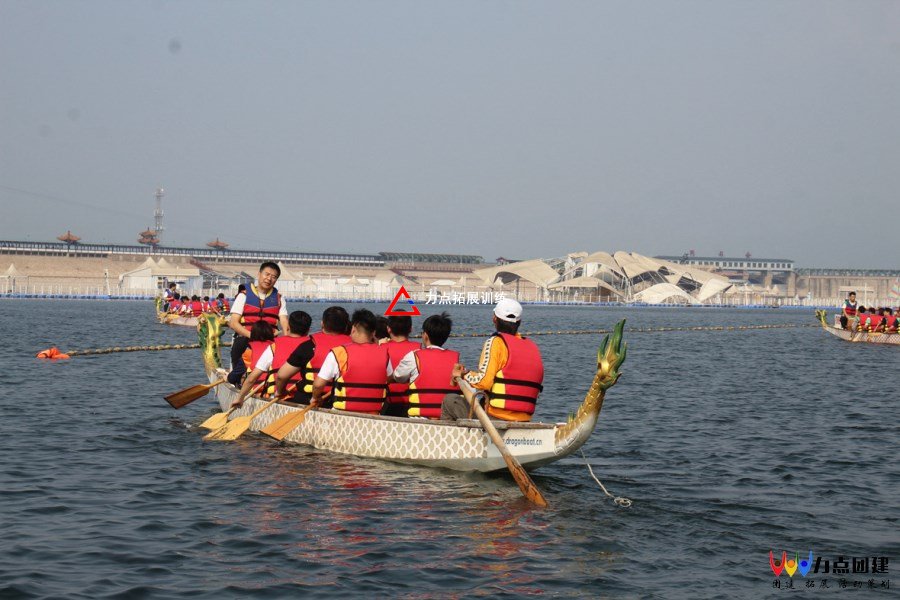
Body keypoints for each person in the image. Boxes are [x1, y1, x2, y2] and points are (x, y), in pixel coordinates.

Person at [441, 298, 544, 422]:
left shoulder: (496, 342)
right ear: (519, 322)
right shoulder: (532, 346)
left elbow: (484, 382)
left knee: (449, 400)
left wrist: (463, 374)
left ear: (494, 318)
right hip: (524, 419)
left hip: (495, 417)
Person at [312, 309, 389, 415]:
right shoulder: (384, 353)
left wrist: (316, 397)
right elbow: (389, 377)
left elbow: (318, 385)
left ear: (353, 329)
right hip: (374, 415)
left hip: (342, 415)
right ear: (374, 333)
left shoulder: (339, 352)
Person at [231, 311, 312, 408]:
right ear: (308, 330)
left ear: (288, 327)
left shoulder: (274, 346)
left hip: (278, 396)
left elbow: (252, 378)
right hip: (307, 398)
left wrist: (240, 398)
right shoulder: (313, 345)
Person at [226, 262, 289, 385]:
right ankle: (238, 381)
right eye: (267, 274)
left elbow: (284, 322)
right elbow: (234, 323)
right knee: (240, 345)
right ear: (259, 274)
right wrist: (253, 336)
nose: (269, 279)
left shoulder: (279, 298)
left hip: (270, 341)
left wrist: (286, 340)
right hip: (245, 339)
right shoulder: (243, 296)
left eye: (274, 277)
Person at [275, 306, 351, 404]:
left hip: (310, 400)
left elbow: (281, 376)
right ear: (346, 326)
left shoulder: (309, 345)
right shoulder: (353, 347)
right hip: (344, 402)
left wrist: (280, 392)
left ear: (322, 324)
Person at [389, 312, 457, 419]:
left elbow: (398, 376)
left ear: (425, 335)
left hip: (419, 419)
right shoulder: (456, 361)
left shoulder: (414, 356)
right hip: (446, 418)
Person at [381, 315, 421, 417]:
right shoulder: (420, 349)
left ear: (388, 329)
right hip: (413, 403)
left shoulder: (381, 348)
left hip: (388, 403)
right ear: (410, 329)